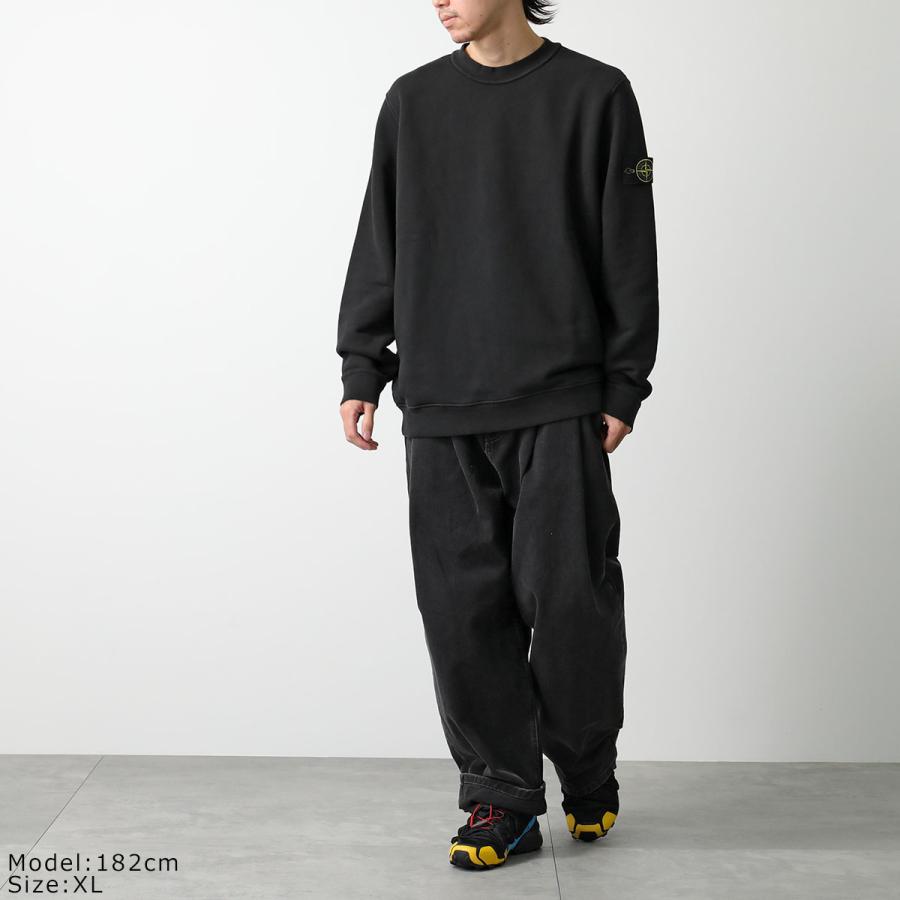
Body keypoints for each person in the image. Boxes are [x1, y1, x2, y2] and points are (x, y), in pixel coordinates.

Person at [336, 0, 658, 872]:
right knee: (462, 614)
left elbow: (628, 245)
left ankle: (586, 769)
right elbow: (379, 237)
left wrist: (624, 382)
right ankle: (500, 795)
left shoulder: (596, 94)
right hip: (441, 404)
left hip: (558, 399)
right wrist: (362, 364)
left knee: (572, 605)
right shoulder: (412, 102)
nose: (437, 2)